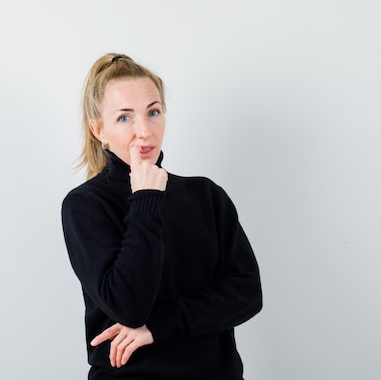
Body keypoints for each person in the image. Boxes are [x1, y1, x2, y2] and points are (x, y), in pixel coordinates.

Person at [61, 53, 262, 380]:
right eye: (124, 118)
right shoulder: (86, 205)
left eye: (153, 112)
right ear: (99, 130)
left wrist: (160, 326)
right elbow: (128, 306)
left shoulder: (205, 195)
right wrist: (145, 199)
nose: (144, 131)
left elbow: (247, 294)